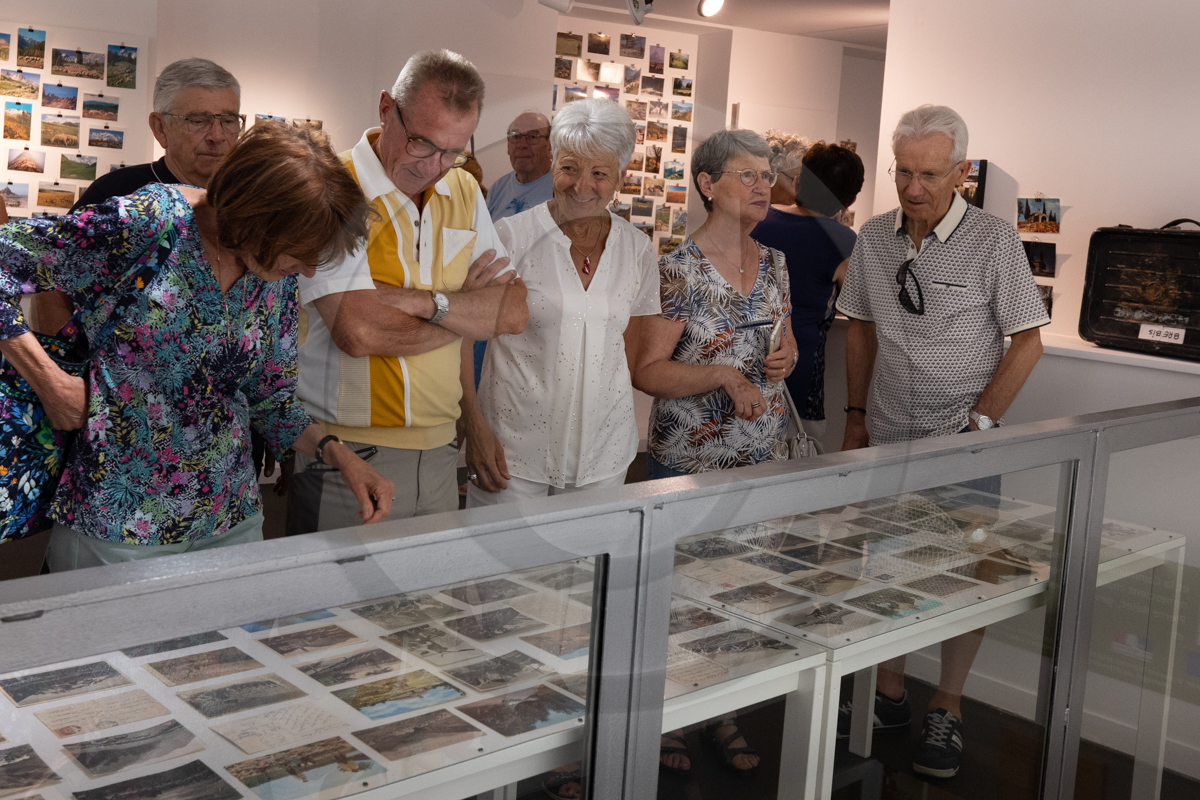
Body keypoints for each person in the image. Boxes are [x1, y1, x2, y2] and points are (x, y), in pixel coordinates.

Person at [0, 123, 395, 570]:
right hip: (120, 522)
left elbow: (270, 397)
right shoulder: (151, 223)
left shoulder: (274, 275)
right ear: (252, 221)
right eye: (297, 254)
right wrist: (49, 381)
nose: (305, 271)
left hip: (231, 518)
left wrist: (339, 455)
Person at [836, 105, 1048, 778]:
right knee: (884, 563)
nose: (914, 188)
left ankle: (948, 708)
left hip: (963, 442)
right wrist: (855, 415)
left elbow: (1027, 342)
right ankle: (888, 691)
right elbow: (861, 328)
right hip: (887, 433)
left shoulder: (993, 240)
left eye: (929, 174)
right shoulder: (873, 237)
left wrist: (981, 422)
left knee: (966, 577)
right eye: (904, 172)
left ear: (961, 171)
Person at [290, 49, 527, 534]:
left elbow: (513, 312)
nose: (434, 166)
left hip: (441, 453)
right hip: (346, 455)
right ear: (385, 109)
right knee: (330, 608)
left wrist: (426, 302)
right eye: (422, 143)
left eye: (454, 151)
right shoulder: (334, 187)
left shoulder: (462, 189)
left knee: (425, 609)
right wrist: (464, 310)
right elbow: (356, 331)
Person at [629, 129, 800, 778]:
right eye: (747, 175)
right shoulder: (678, 268)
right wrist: (724, 378)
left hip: (759, 452)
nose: (763, 186)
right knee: (678, 596)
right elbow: (648, 370)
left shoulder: (777, 262)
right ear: (707, 184)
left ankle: (721, 710)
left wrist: (788, 357)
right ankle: (667, 715)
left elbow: (780, 348)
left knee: (739, 590)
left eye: (767, 176)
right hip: (689, 460)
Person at [462, 98, 659, 507]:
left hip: (604, 454)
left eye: (599, 173)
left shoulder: (637, 250)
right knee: (502, 566)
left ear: (620, 178)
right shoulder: (510, 237)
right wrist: (475, 427)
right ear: (554, 164)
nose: (581, 186)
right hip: (510, 453)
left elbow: (629, 351)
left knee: (589, 569)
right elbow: (461, 337)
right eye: (569, 168)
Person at [31, 58, 244, 338]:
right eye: (198, 121)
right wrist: (66, 368)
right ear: (160, 128)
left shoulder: (249, 202)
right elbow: (51, 279)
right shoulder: (118, 192)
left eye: (228, 120)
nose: (217, 136)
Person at [754, 138, 864, 442]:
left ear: (799, 182)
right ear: (850, 201)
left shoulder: (758, 218)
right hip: (799, 379)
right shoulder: (843, 239)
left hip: (747, 367)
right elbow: (854, 305)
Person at [472, 111, 555, 389]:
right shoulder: (498, 188)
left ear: (550, 145)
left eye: (532, 137)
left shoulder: (560, 189)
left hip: (535, 312)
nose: (522, 144)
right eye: (514, 137)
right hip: (490, 304)